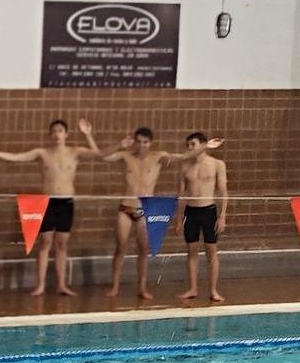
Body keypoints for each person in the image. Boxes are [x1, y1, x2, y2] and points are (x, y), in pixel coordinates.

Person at [0, 118, 98, 298]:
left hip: (66, 202)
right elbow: (18, 157)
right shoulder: (42, 153)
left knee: (62, 244)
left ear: (66, 134)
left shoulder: (75, 151)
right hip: (48, 202)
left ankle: (61, 285)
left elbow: (98, 154)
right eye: (54, 131)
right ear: (50, 135)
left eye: (60, 131)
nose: (57, 134)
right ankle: (40, 285)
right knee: (45, 242)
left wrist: (88, 135)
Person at [94, 126, 178, 302]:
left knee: (143, 250)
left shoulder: (158, 157)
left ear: (150, 143)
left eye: (145, 142)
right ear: (134, 142)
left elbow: (183, 157)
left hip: (145, 210)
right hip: (126, 207)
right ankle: (115, 286)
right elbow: (101, 156)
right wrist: (119, 144)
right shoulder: (126, 156)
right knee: (120, 248)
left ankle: (142, 288)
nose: (141, 146)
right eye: (139, 142)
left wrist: (204, 147)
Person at [172, 133, 229, 305]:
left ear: (203, 145)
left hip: (208, 211)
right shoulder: (185, 167)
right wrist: (179, 219)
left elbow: (223, 191)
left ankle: (213, 290)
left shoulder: (217, 164)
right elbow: (181, 195)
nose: (189, 148)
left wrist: (222, 216)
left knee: (211, 251)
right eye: (188, 145)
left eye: (193, 144)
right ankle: (193, 288)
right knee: (192, 251)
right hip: (191, 212)